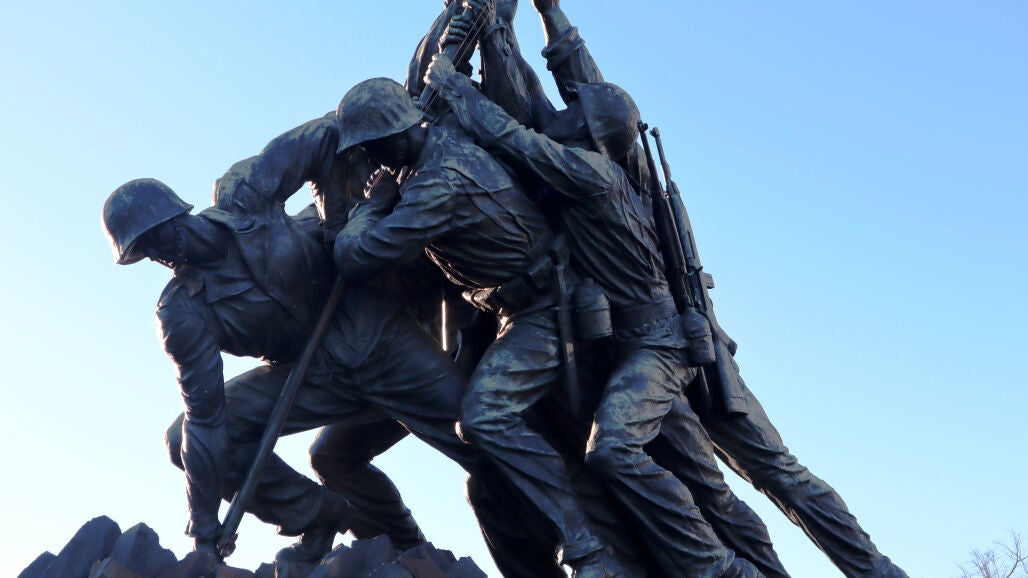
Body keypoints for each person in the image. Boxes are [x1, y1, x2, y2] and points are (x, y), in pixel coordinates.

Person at [475, 1, 909, 576]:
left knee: (777, 472)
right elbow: (585, 84)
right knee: (715, 490)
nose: (563, 107)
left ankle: (875, 571)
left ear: (588, 133)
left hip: (680, 343)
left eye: (573, 109)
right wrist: (546, 12)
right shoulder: (617, 157)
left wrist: (458, 85)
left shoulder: (594, 173)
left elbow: (528, 127)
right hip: (650, 346)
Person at [101, 114, 509, 565]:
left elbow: (326, 137)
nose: (156, 253)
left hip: (377, 336)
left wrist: (336, 228)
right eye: (144, 250)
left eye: (155, 236)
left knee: (488, 444)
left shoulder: (244, 195)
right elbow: (205, 419)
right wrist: (204, 526)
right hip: (311, 376)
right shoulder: (181, 311)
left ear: (176, 212)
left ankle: (557, 539)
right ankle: (334, 522)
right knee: (186, 437)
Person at [333, 77, 628, 578]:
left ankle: (588, 546)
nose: (371, 159)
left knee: (483, 417)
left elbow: (355, 256)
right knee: (484, 481)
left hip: (542, 310)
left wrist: (374, 203)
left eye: (372, 148)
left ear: (395, 138)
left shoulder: (437, 184)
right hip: (502, 311)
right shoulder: (446, 137)